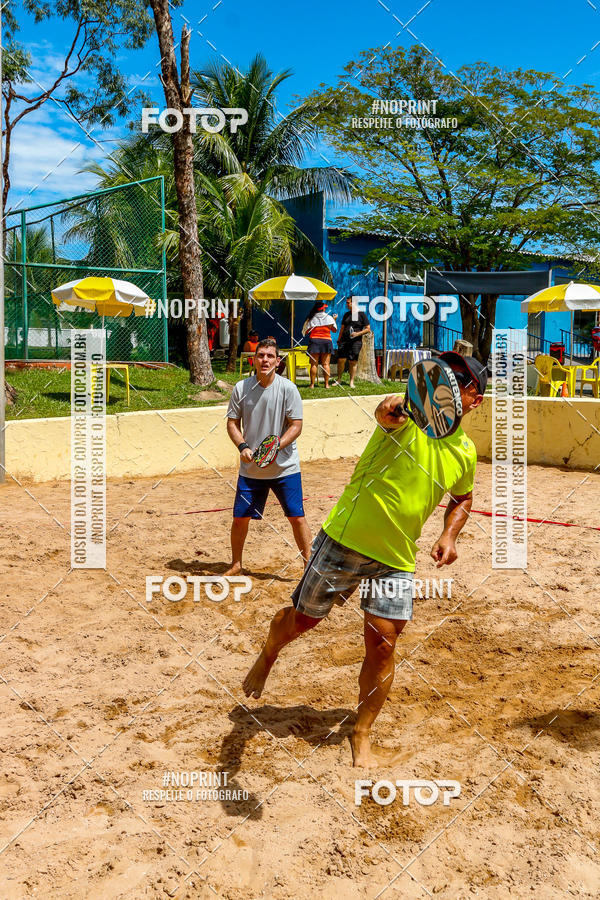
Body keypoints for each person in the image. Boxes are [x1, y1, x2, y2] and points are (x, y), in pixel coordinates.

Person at [242, 352, 487, 767]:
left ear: (474, 400)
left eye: (459, 379)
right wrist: (399, 406)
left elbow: (463, 497)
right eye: (442, 371)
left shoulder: (465, 452)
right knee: (302, 621)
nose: (446, 380)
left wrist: (449, 533)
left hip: (396, 558)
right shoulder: (405, 417)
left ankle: (362, 732)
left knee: (383, 644)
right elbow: (387, 411)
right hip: (344, 539)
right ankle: (268, 652)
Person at [225, 338, 312, 576]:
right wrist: (242, 446)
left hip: (285, 467)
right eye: (261, 355)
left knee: (296, 517)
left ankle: (309, 566)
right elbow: (232, 423)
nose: (265, 360)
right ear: (254, 360)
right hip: (251, 469)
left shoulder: (288, 389)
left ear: (277, 361)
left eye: (270, 356)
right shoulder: (241, 388)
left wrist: (274, 448)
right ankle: (236, 565)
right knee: (240, 518)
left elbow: (296, 426)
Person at [302, 300, 338, 389]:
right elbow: (334, 330)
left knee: (313, 364)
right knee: (326, 364)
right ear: (323, 309)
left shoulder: (311, 318)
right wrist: (334, 320)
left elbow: (305, 332)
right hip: (326, 341)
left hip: (314, 341)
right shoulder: (329, 318)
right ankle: (327, 384)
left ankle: (312, 384)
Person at [337, 296, 371, 388]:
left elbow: (368, 329)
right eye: (346, 303)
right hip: (344, 341)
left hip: (356, 342)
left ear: (354, 303)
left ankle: (351, 382)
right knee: (341, 360)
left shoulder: (361, 314)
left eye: (348, 303)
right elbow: (342, 328)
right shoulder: (346, 314)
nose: (347, 304)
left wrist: (357, 334)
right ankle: (339, 379)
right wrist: (339, 339)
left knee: (353, 361)